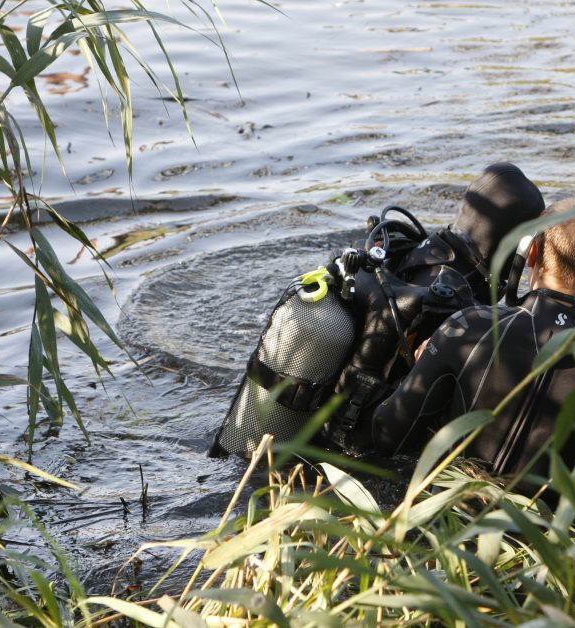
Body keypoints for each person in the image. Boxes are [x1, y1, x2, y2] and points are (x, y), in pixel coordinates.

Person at [209, 163, 545, 458]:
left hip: (289, 425)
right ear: (515, 245)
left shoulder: (405, 250)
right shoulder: (458, 307)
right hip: (350, 450)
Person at [370, 200, 575, 491]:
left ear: (531, 253)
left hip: (451, 521)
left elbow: (387, 436)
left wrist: (420, 367)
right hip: (546, 528)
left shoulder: (470, 327)